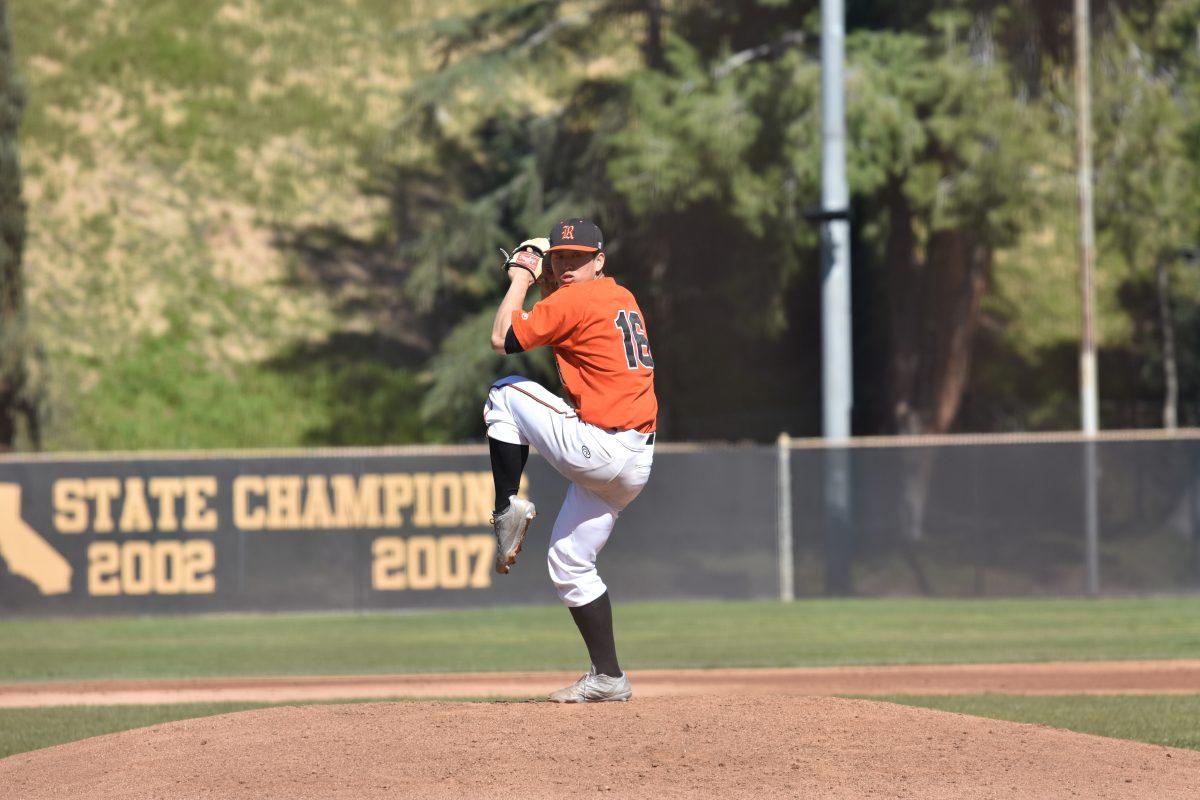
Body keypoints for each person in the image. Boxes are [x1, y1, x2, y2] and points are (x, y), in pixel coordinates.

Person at [484, 218, 657, 703]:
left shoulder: (575, 298)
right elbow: (564, 315)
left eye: (578, 258)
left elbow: (503, 339)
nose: (567, 267)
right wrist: (543, 277)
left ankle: (505, 508)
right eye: (559, 258)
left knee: (504, 393)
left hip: (603, 448)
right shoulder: (619, 296)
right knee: (569, 561)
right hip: (633, 462)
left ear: (599, 261)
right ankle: (608, 677)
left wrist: (521, 274)